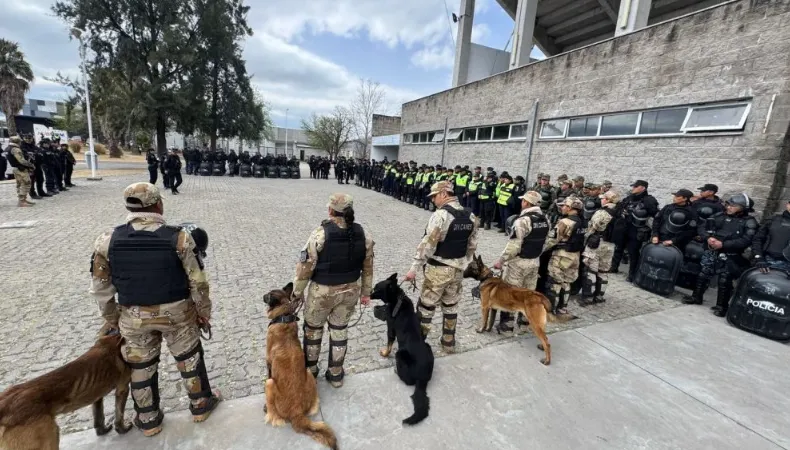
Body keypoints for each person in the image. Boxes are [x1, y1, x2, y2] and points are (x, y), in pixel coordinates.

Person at [89, 182, 220, 436]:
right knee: (189, 358)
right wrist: (203, 312)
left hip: (133, 316)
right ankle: (201, 404)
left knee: (141, 367)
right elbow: (198, 281)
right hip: (178, 314)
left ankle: (148, 420)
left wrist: (114, 318)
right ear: (158, 203)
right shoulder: (179, 237)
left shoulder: (107, 240)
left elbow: (100, 288)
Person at [293, 193, 374, 388]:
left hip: (322, 292)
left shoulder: (320, 234)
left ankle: (310, 374)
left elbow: (305, 267)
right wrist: (366, 293)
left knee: (313, 331)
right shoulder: (365, 234)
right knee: (339, 331)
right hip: (350, 292)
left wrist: (297, 293)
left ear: (330, 210)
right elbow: (368, 267)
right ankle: (336, 374)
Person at [403, 181, 478, 353]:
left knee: (426, 307)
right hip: (457, 270)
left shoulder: (441, 215)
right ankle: (448, 342)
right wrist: (462, 262)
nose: (433, 200)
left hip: (437, 269)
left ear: (444, 194)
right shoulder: (470, 216)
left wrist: (414, 268)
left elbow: (427, 244)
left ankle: (417, 346)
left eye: (434, 196)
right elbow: (472, 245)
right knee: (451, 306)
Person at [683, 193, 758, 316]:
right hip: (712, 251)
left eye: (733, 206)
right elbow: (702, 227)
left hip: (731, 254)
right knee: (703, 274)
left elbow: (746, 240)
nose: (729, 208)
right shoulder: (718, 215)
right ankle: (696, 297)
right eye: (728, 205)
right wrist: (708, 238)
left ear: (743, 207)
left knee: (724, 279)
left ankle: (721, 307)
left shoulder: (749, 222)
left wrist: (724, 244)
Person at [492, 191, 549, 333]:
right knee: (529, 292)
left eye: (523, 200)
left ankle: (507, 325)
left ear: (526, 203)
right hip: (534, 261)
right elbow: (545, 241)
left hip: (518, 263)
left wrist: (501, 260)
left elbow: (514, 246)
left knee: (510, 293)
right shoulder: (545, 219)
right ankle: (525, 322)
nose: (521, 203)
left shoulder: (522, 221)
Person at [543, 197, 586, 315]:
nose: (562, 208)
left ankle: (551, 309)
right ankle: (563, 308)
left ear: (570, 208)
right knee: (567, 282)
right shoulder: (582, 221)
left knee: (555, 282)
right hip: (575, 256)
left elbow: (552, 240)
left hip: (562, 255)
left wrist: (541, 251)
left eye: (564, 206)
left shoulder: (565, 222)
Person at [610, 180, 659, 282]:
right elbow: (618, 209)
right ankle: (614, 267)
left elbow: (656, 216)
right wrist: (621, 212)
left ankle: (632, 275)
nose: (633, 188)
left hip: (636, 230)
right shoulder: (629, 198)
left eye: (636, 186)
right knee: (618, 248)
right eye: (633, 186)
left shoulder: (649, 200)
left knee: (633, 253)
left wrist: (653, 231)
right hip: (623, 228)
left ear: (643, 188)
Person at [578, 190, 620, 306]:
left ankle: (588, 297)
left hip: (597, 243)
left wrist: (585, 237)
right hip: (610, 245)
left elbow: (593, 227)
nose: (601, 200)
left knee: (590, 269)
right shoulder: (620, 212)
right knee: (603, 270)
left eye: (603, 198)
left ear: (607, 200)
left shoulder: (602, 212)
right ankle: (599, 295)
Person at [753, 200, 790, 273]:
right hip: (768, 261)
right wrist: (759, 258)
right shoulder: (773, 219)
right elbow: (758, 239)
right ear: (787, 204)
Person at [5, 136, 36, 207]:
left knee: (19, 184)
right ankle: (22, 201)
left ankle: (22, 200)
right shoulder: (15, 149)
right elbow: (21, 160)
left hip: (15, 168)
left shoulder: (8, 148)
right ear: (17, 141)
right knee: (26, 183)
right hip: (21, 169)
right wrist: (31, 165)